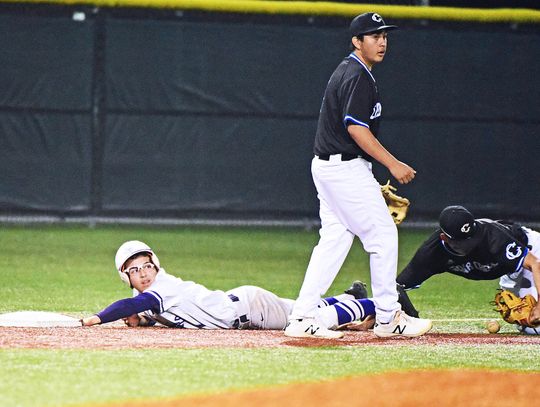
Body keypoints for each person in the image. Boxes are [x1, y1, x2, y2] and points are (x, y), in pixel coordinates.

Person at [284, 12, 432, 339]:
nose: (381, 42)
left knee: (335, 241)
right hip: (342, 166)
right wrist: (392, 163)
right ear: (357, 41)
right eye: (373, 36)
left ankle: (301, 317)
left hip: (333, 166)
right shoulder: (358, 76)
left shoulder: (353, 71)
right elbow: (356, 128)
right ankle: (388, 318)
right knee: (382, 236)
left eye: (384, 36)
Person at [80, 240, 376, 332]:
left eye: (146, 265)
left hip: (249, 309)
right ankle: (351, 296)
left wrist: (96, 318)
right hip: (246, 302)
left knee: (309, 321)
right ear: (126, 277)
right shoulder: (152, 297)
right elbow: (150, 310)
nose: (143, 273)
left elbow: (130, 306)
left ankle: (378, 305)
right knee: (303, 308)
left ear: (156, 266)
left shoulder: (162, 287)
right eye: (135, 270)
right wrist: (144, 321)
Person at [396, 205, 540, 334]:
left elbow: (535, 263)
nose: (470, 244)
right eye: (462, 242)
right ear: (444, 238)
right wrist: (405, 315)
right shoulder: (431, 254)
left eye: (471, 238)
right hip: (511, 271)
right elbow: (395, 287)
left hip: (532, 252)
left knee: (537, 326)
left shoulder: (492, 236)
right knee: (531, 326)